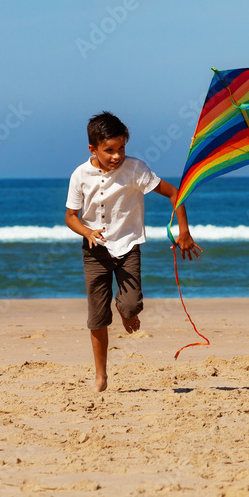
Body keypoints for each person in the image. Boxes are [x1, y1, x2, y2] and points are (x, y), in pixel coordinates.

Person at [65, 111, 201, 392]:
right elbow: (70, 216)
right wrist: (87, 231)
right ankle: (101, 376)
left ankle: (126, 310)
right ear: (93, 149)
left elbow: (175, 193)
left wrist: (183, 231)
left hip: (127, 247)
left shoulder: (136, 169)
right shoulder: (80, 175)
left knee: (130, 306)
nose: (117, 156)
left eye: (121, 148)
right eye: (109, 150)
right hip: (94, 251)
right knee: (97, 317)